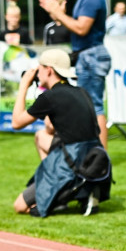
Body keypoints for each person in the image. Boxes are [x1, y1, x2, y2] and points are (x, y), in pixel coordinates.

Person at [11, 49, 108, 217]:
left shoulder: (50, 97)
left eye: (39, 68)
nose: (37, 72)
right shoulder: (81, 92)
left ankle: (57, 195)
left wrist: (23, 87)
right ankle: (78, 191)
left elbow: (16, 122)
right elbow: (51, 128)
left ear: (48, 70)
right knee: (40, 136)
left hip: (72, 163)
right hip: (93, 160)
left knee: (20, 206)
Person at [38, 0, 110, 149]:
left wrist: (58, 12)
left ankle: (100, 156)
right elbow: (77, 25)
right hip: (87, 55)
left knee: (94, 106)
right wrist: (54, 11)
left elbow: (81, 28)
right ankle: (93, 153)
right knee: (90, 105)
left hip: (91, 55)